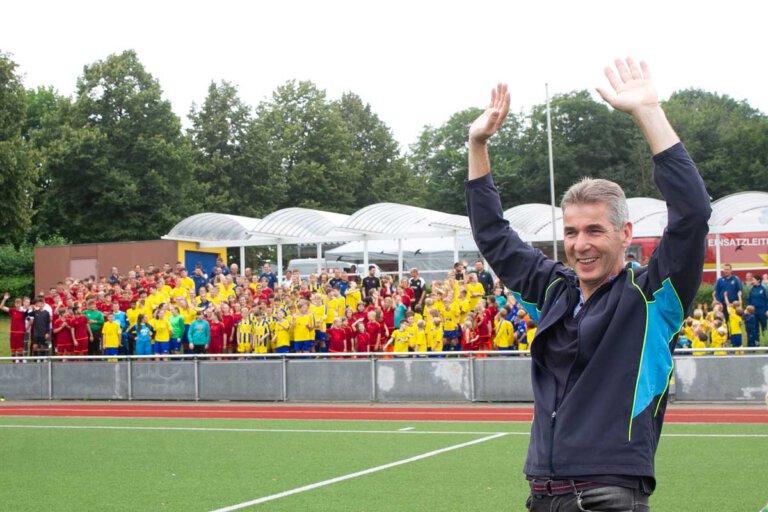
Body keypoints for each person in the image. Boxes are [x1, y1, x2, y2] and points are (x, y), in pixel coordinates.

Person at [465, 59, 711, 510]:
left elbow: (692, 214)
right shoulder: (556, 291)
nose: (581, 244)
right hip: (541, 490)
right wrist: (477, 144)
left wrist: (648, 111)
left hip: (608, 494)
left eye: (595, 230)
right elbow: (494, 237)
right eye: (572, 232)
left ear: (625, 234)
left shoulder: (652, 297)